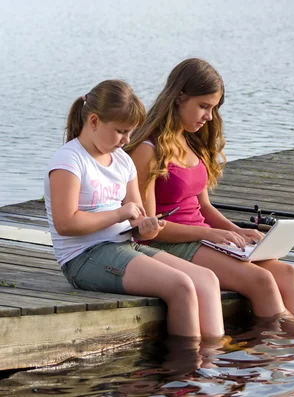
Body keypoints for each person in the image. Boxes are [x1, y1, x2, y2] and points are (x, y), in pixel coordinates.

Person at [126, 58, 294, 322]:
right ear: (179, 97)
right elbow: (149, 231)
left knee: (289, 274)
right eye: (203, 107)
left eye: (213, 108)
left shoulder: (192, 142)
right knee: (260, 280)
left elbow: (203, 207)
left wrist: (236, 232)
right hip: (170, 244)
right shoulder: (148, 150)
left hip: (205, 239)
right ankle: (290, 347)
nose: (209, 116)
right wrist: (211, 234)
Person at [44, 79, 224, 340]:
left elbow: (140, 228)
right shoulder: (68, 160)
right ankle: (186, 370)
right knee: (180, 285)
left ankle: (211, 357)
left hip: (124, 246)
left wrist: (148, 227)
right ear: (93, 121)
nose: (127, 140)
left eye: (131, 132)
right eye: (120, 131)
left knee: (206, 279)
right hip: (83, 257)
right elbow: (66, 224)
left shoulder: (123, 162)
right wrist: (120, 214)